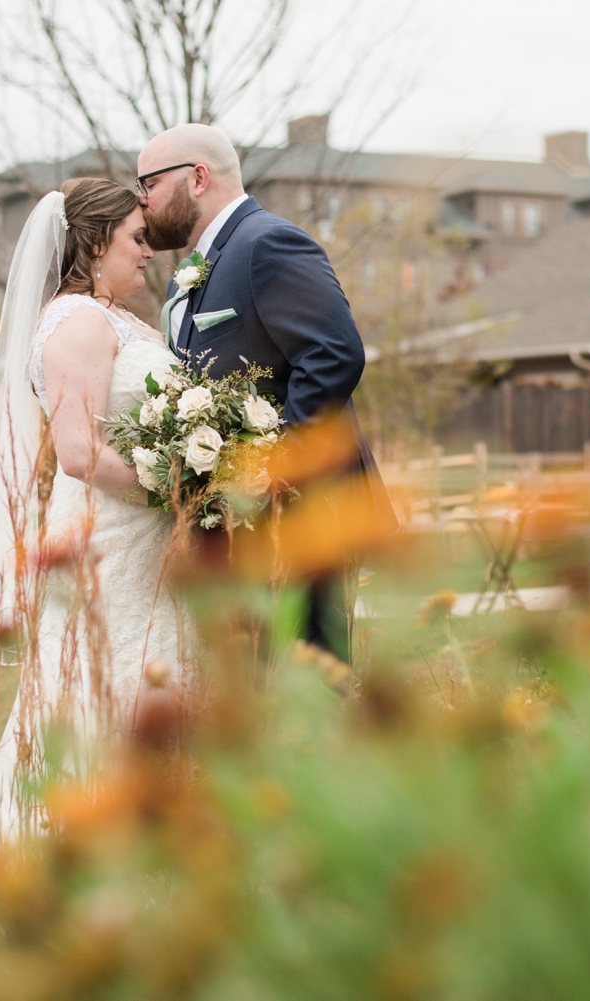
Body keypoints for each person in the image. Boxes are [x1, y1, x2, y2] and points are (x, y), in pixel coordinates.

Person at [0, 177, 185, 846]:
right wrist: (170, 488)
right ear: (92, 241)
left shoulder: (113, 318)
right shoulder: (77, 320)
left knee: (142, 687)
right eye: (137, 239)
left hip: (138, 544)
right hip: (107, 542)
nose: (149, 253)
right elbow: (81, 451)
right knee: (98, 694)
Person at [136, 123, 395, 662]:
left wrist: (275, 470)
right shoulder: (190, 273)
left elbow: (333, 352)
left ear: (198, 178)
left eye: (149, 183)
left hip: (302, 518)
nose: (142, 201)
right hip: (239, 531)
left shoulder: (268, 243)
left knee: (311, 683)